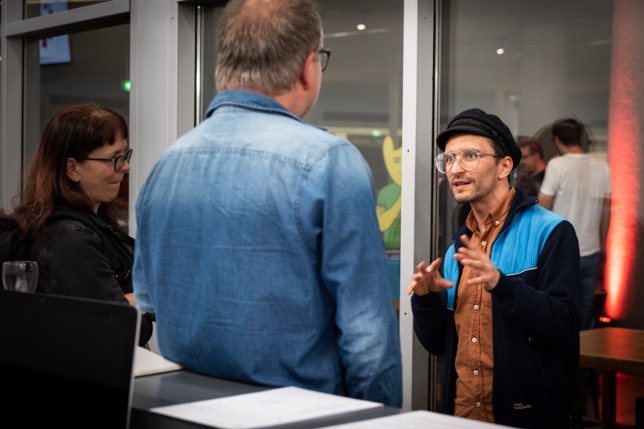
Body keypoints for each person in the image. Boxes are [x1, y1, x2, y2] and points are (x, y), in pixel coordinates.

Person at [133, 0, 402, 407]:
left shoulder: (165, 166)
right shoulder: (330, 163)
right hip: (299, 416)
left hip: (181, 413)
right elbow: (370, 341)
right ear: (307, 68)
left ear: (224, 67)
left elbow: (148, 299)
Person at [407, 108, 580, 428]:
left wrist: (501, 285)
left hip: (528, 417)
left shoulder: (551, 231)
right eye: (449, 159)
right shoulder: (457, 248)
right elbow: (438, 346)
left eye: (469, 156)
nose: (455, 168)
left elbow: (564, 327)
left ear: (504, 166)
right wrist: (426, 299)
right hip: (462, 415)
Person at [3, 102, 153, 347]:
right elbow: (122, 328)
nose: (125, 167)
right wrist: (144, 302)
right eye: (113, 159)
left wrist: (132, 300)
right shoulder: (71, 240)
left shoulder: (97, 224)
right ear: (73, 167)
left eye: (124, 155)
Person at [538, 118, 611, 330]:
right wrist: (603, 246)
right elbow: (606, 213)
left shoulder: (557, 165)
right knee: (584, 314)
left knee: (557, 309)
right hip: (591, 249)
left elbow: (543, 204)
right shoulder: (602, 166)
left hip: (562, 249)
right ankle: (582, 359)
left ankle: (561, 359)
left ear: (557, 140)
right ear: (580, 138)